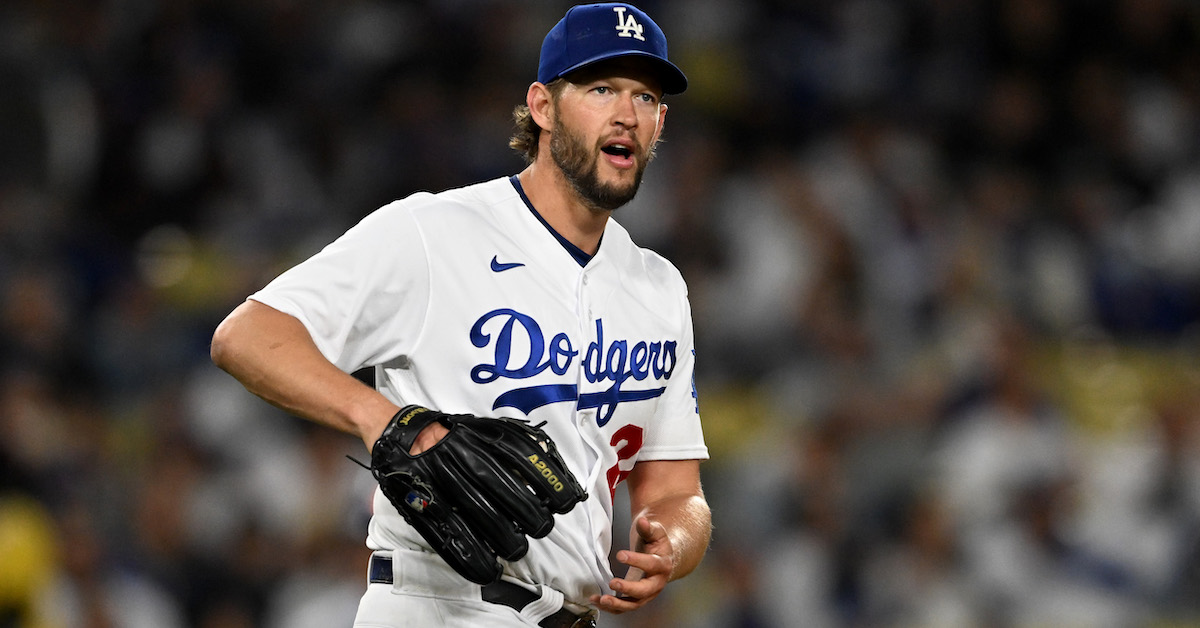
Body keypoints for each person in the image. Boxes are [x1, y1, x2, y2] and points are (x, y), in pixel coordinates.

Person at [210, 3, 711, 627]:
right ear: (543, 106)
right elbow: (248, 337)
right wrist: (388, 420)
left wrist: (675, 543)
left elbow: (674, 489)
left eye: (646, 97)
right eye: (601, 87)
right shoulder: (432, 232)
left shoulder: (659, 287)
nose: (626, 114)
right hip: (437, 605)